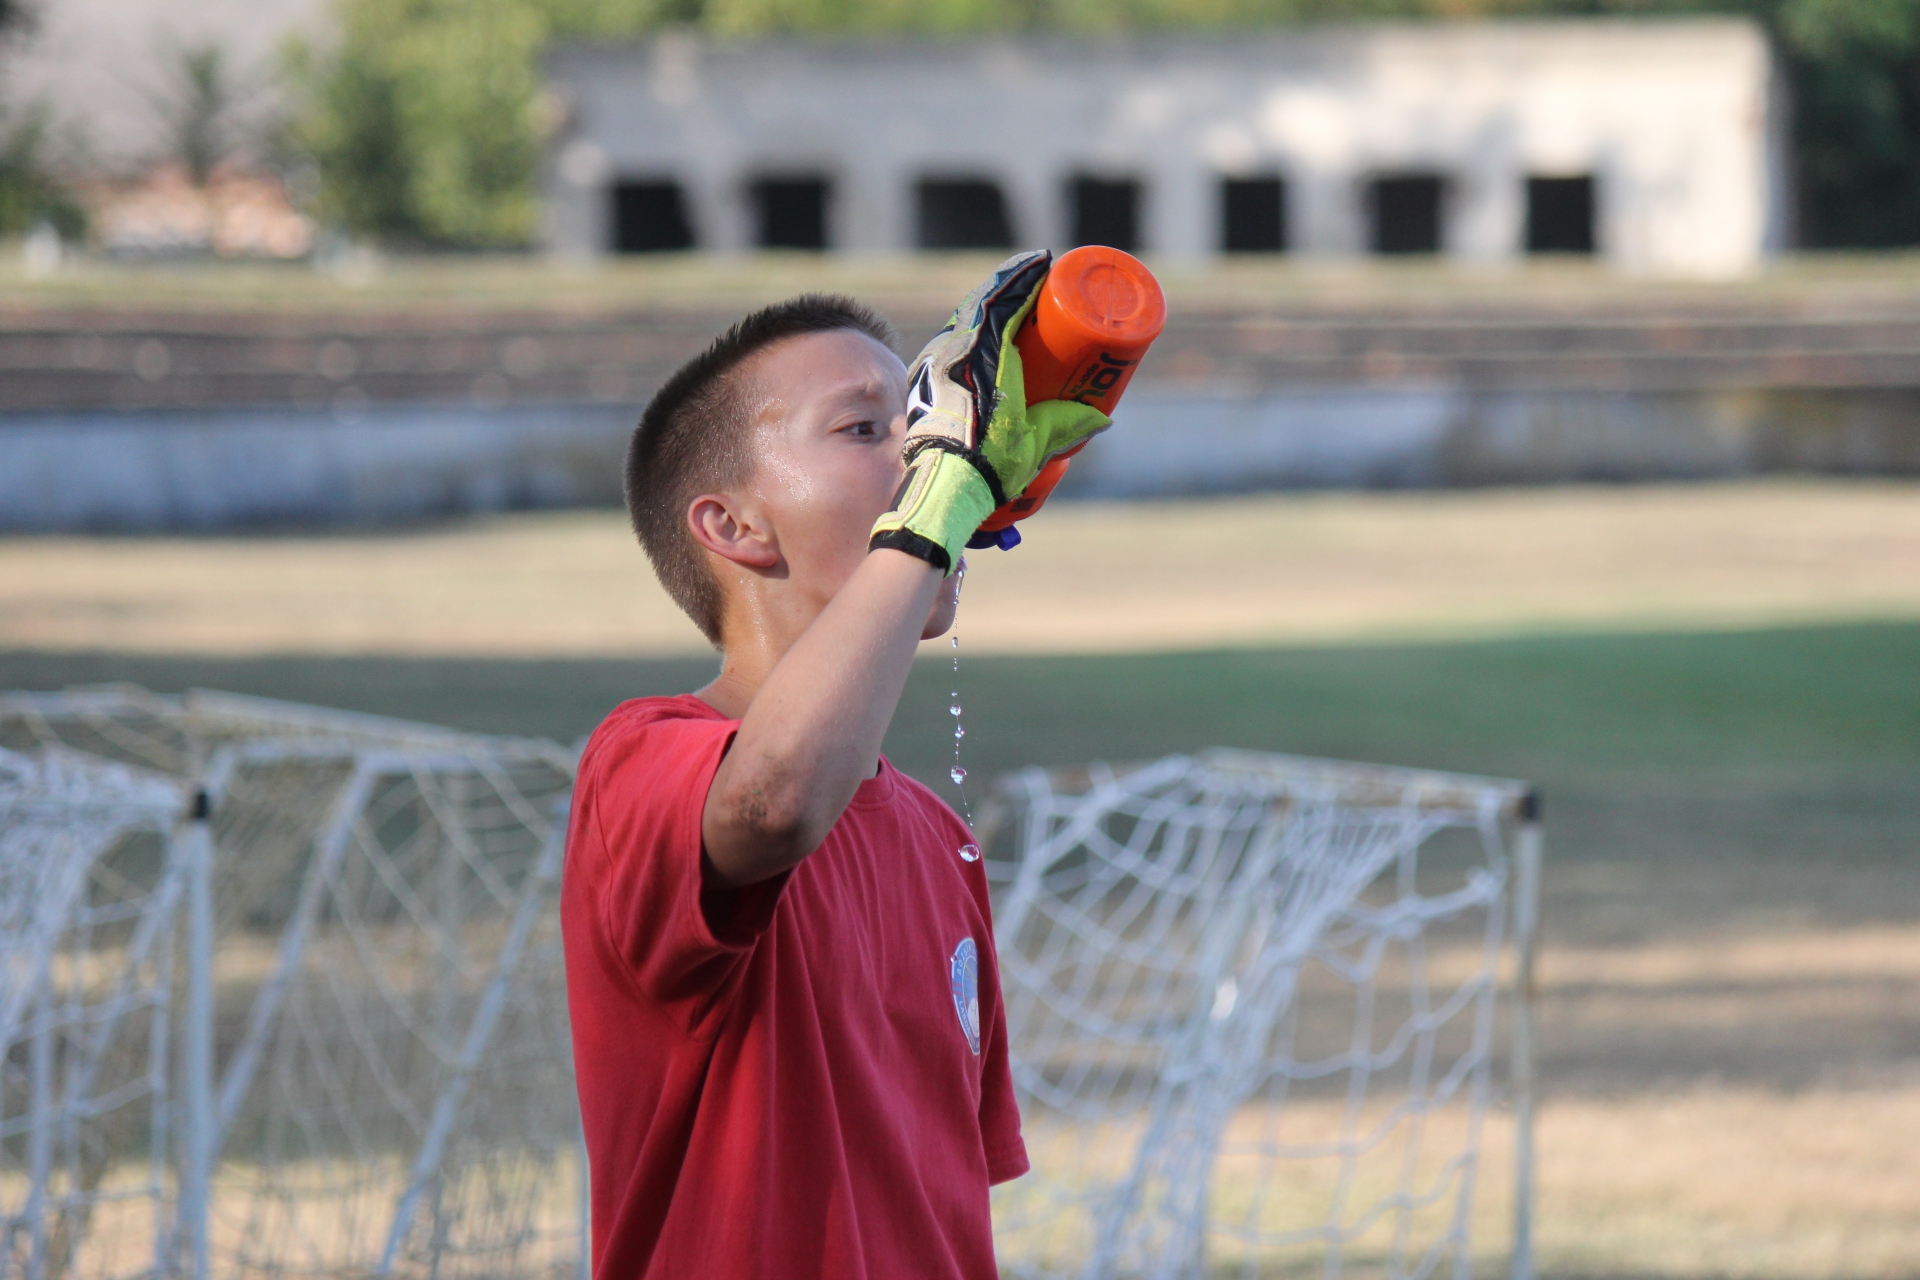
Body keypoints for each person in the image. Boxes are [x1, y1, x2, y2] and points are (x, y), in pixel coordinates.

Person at [560, 252, 1111, 1280]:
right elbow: (775, 801)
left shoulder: (939, 841)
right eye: (865, 430)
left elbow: (940, 1202)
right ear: (732, 525)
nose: (923, 452)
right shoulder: (640, 757)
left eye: (920, 421)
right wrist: (931, 513)